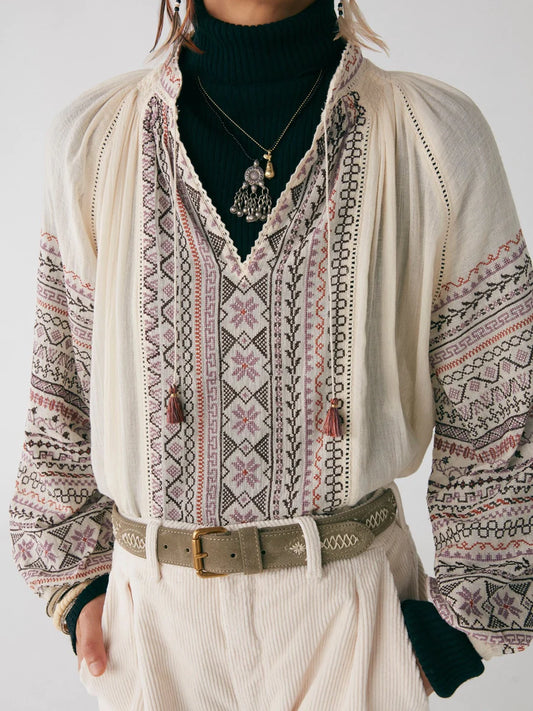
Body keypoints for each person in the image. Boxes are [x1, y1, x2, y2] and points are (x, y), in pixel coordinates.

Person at [8, 0, 533, 709]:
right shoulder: (95, 141)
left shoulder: (430, 136)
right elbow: (60, 399)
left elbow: (500, 406)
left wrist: (461, 635)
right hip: (154, 632)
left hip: (353, 618)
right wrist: (79, 589)